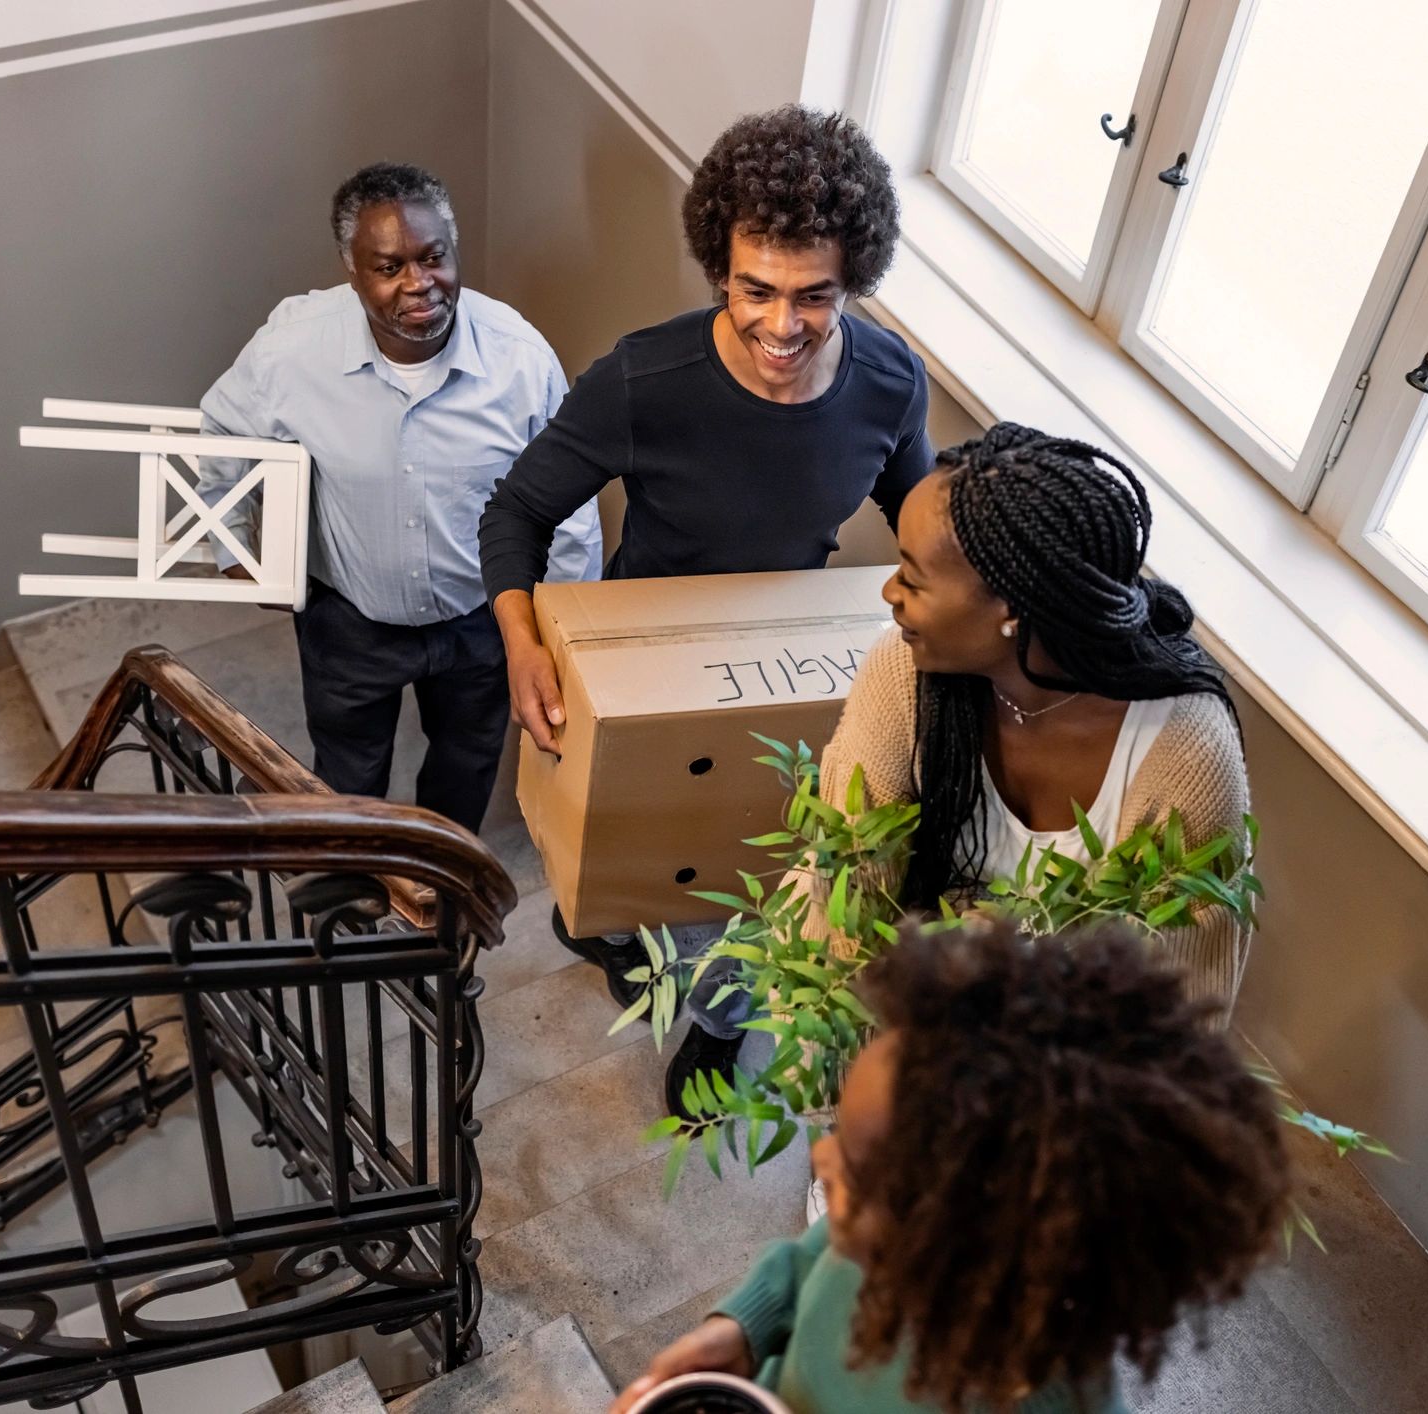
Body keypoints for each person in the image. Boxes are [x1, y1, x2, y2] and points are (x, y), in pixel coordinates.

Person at [477, 106, 933, 1105]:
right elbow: (514, 512)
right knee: (608, 878)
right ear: (717, 270)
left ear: (854, 277)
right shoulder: (644, 381)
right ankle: (599, 928)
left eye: (813, 297)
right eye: (754, 291)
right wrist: (521, 642)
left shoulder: (891, 383)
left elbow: (920, 524)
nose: (781, 325)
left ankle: (719, 1040)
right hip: (634, 659)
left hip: (770, 671)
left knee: (746, 890)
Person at [610, 919, 1293, 1414]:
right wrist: (742, 1328)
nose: (819, 1159)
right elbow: (812, 1261)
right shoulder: (874, 1243)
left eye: (852, 1170)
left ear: (967, 1246)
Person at [196, 163, 601, 833]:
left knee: (466, 764)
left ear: (453, 248)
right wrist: (240, 552)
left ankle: (440, 886)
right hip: (348, 623)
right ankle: (357, 890)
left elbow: (571, 511)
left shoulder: (520, 361)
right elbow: (219, 437)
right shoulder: (288, 355)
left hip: (482, 620)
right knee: (348, 770)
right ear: (352, 271)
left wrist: (556, 636)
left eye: (433, 257)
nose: (418, 283)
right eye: (389, 268)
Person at [818, 421, 1251, 1016]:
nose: (891, 592)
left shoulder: (1184, 750)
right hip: (908, 999)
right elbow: (852, 886)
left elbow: (1175, 999)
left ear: (1012, 607)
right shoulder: (903, 668)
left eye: (913, 578)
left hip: (1064, 1049)